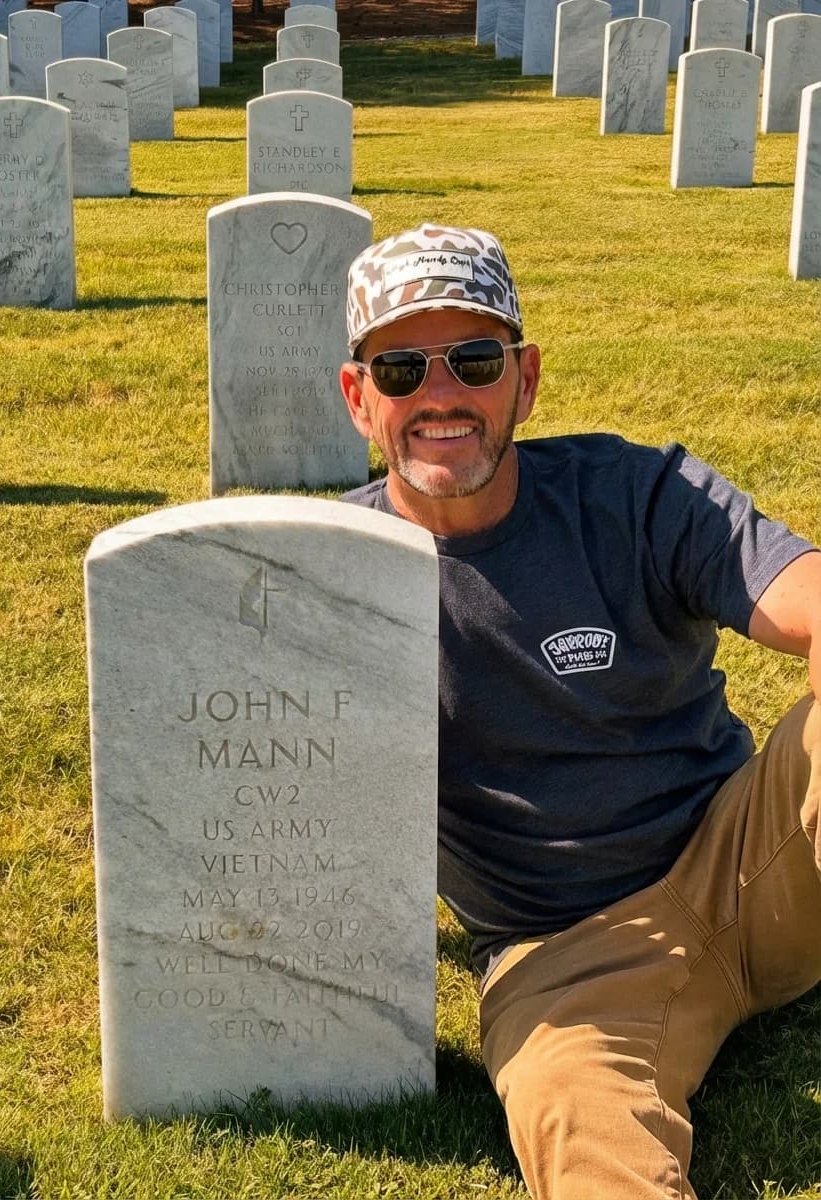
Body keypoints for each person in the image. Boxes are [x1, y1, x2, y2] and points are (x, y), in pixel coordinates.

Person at [337, 224, 821, 1200]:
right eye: (399, 369)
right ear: (359, 399)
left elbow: (802, 595)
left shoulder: (632, 495)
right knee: (583, 1134)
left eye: (472, 360)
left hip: (746, 859)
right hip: (562, 959)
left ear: (524, 379)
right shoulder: (329, 574)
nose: (439, 395)